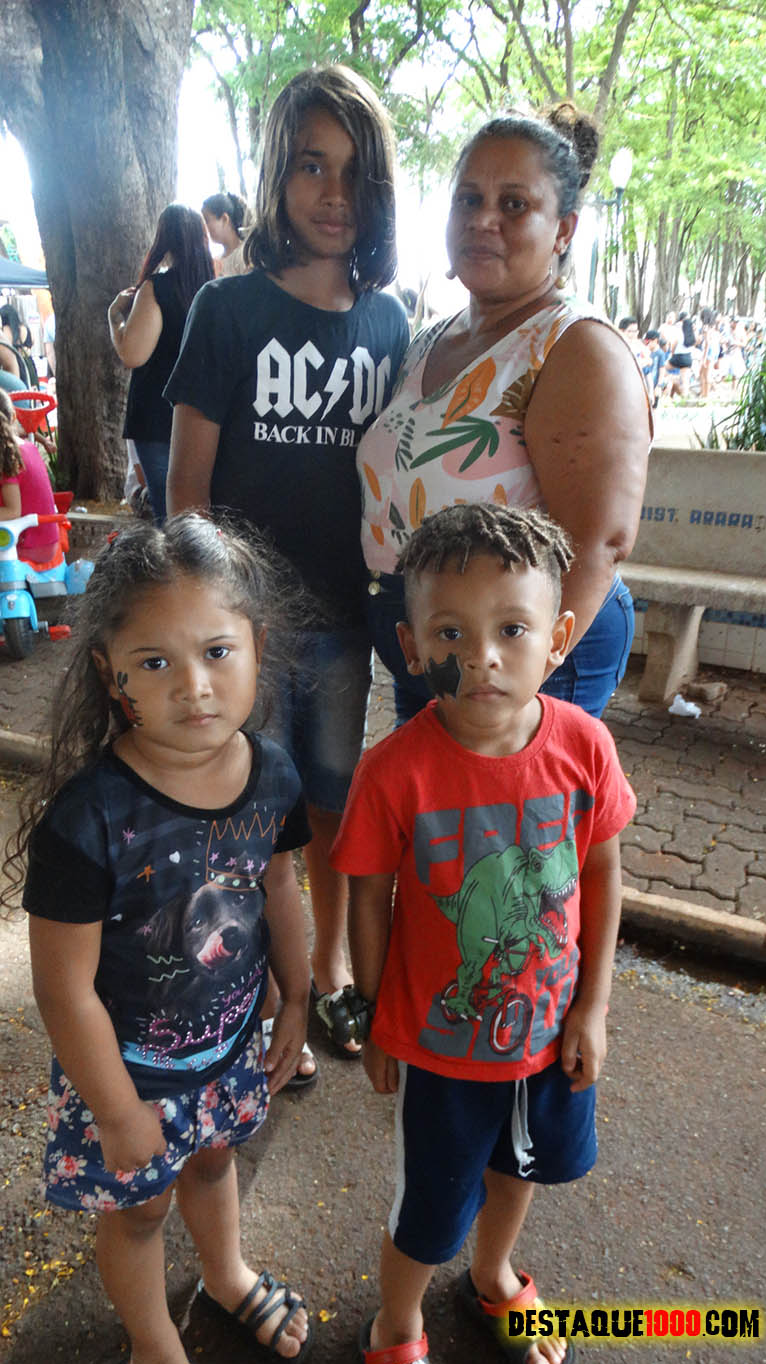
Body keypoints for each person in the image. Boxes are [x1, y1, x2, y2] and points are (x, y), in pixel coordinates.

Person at [1, 515, 313, 1364]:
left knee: (215, 1166)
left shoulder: (274, 775)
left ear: (257, 644)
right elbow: (63, 988)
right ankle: (151, 1354)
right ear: (110, 675)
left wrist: (298, 997)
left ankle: (226, 1274)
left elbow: (280, 888)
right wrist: (115, 1110)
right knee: (139, 1212)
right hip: (128, 1078)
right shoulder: (88, 820)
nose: (195, 686)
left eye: (216, 651)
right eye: (154, 662)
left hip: (228, 1051)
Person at [331, 504, 636, 1364]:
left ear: (559, 639)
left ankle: (494, 1275)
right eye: (451, 634)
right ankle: (395, 1324)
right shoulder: (393, 771)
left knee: (520, 1172)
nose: (484, 657)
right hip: (441, 1050)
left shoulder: (585, 747)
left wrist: (593, 1008)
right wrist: (375, 1017)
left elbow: (600, 871)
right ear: (411, 647)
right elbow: (367, 899)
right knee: (432, 1204)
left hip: (548, 1036)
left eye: (512, 629)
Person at [166, 65, 410, 1060]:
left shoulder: (389, 322)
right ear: (277, 174)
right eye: (312, 165)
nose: (333, 193)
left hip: (345, 625)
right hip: (246, 629)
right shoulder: (224, 311)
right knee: (252, 812)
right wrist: (214, 624)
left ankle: (333, 975)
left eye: (354, 172)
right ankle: (270, 990)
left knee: (333, 807)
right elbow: (184, 491)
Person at [356, 105, 651, 725]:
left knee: (503, 795)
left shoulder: (574, 347)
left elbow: (599, 543)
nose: (483, 219)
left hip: (513, 662)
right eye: (469, 199)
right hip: (435, 643)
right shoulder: (430, 339)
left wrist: (514, 682)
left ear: (563, 230)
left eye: (514, 204)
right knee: (430, 791)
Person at [108, 204, 214, 524]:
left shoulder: (158, 288)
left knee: (169, 518)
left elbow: (132, 353)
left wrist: (115, 317)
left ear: (164, 240)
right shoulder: (215, 290)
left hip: (156, 416)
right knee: (203, 518)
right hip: (206, 415)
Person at [0, 388, 59, 562]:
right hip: (45, 541)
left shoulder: (7, 456)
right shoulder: (26, 446)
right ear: (13, 417)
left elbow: (13, 511)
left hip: (27, 544)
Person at [202, 191, 250, 277]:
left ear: (224, 219)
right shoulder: (216, 260)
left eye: (207, 220)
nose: (204, 227)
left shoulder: (246, 256)